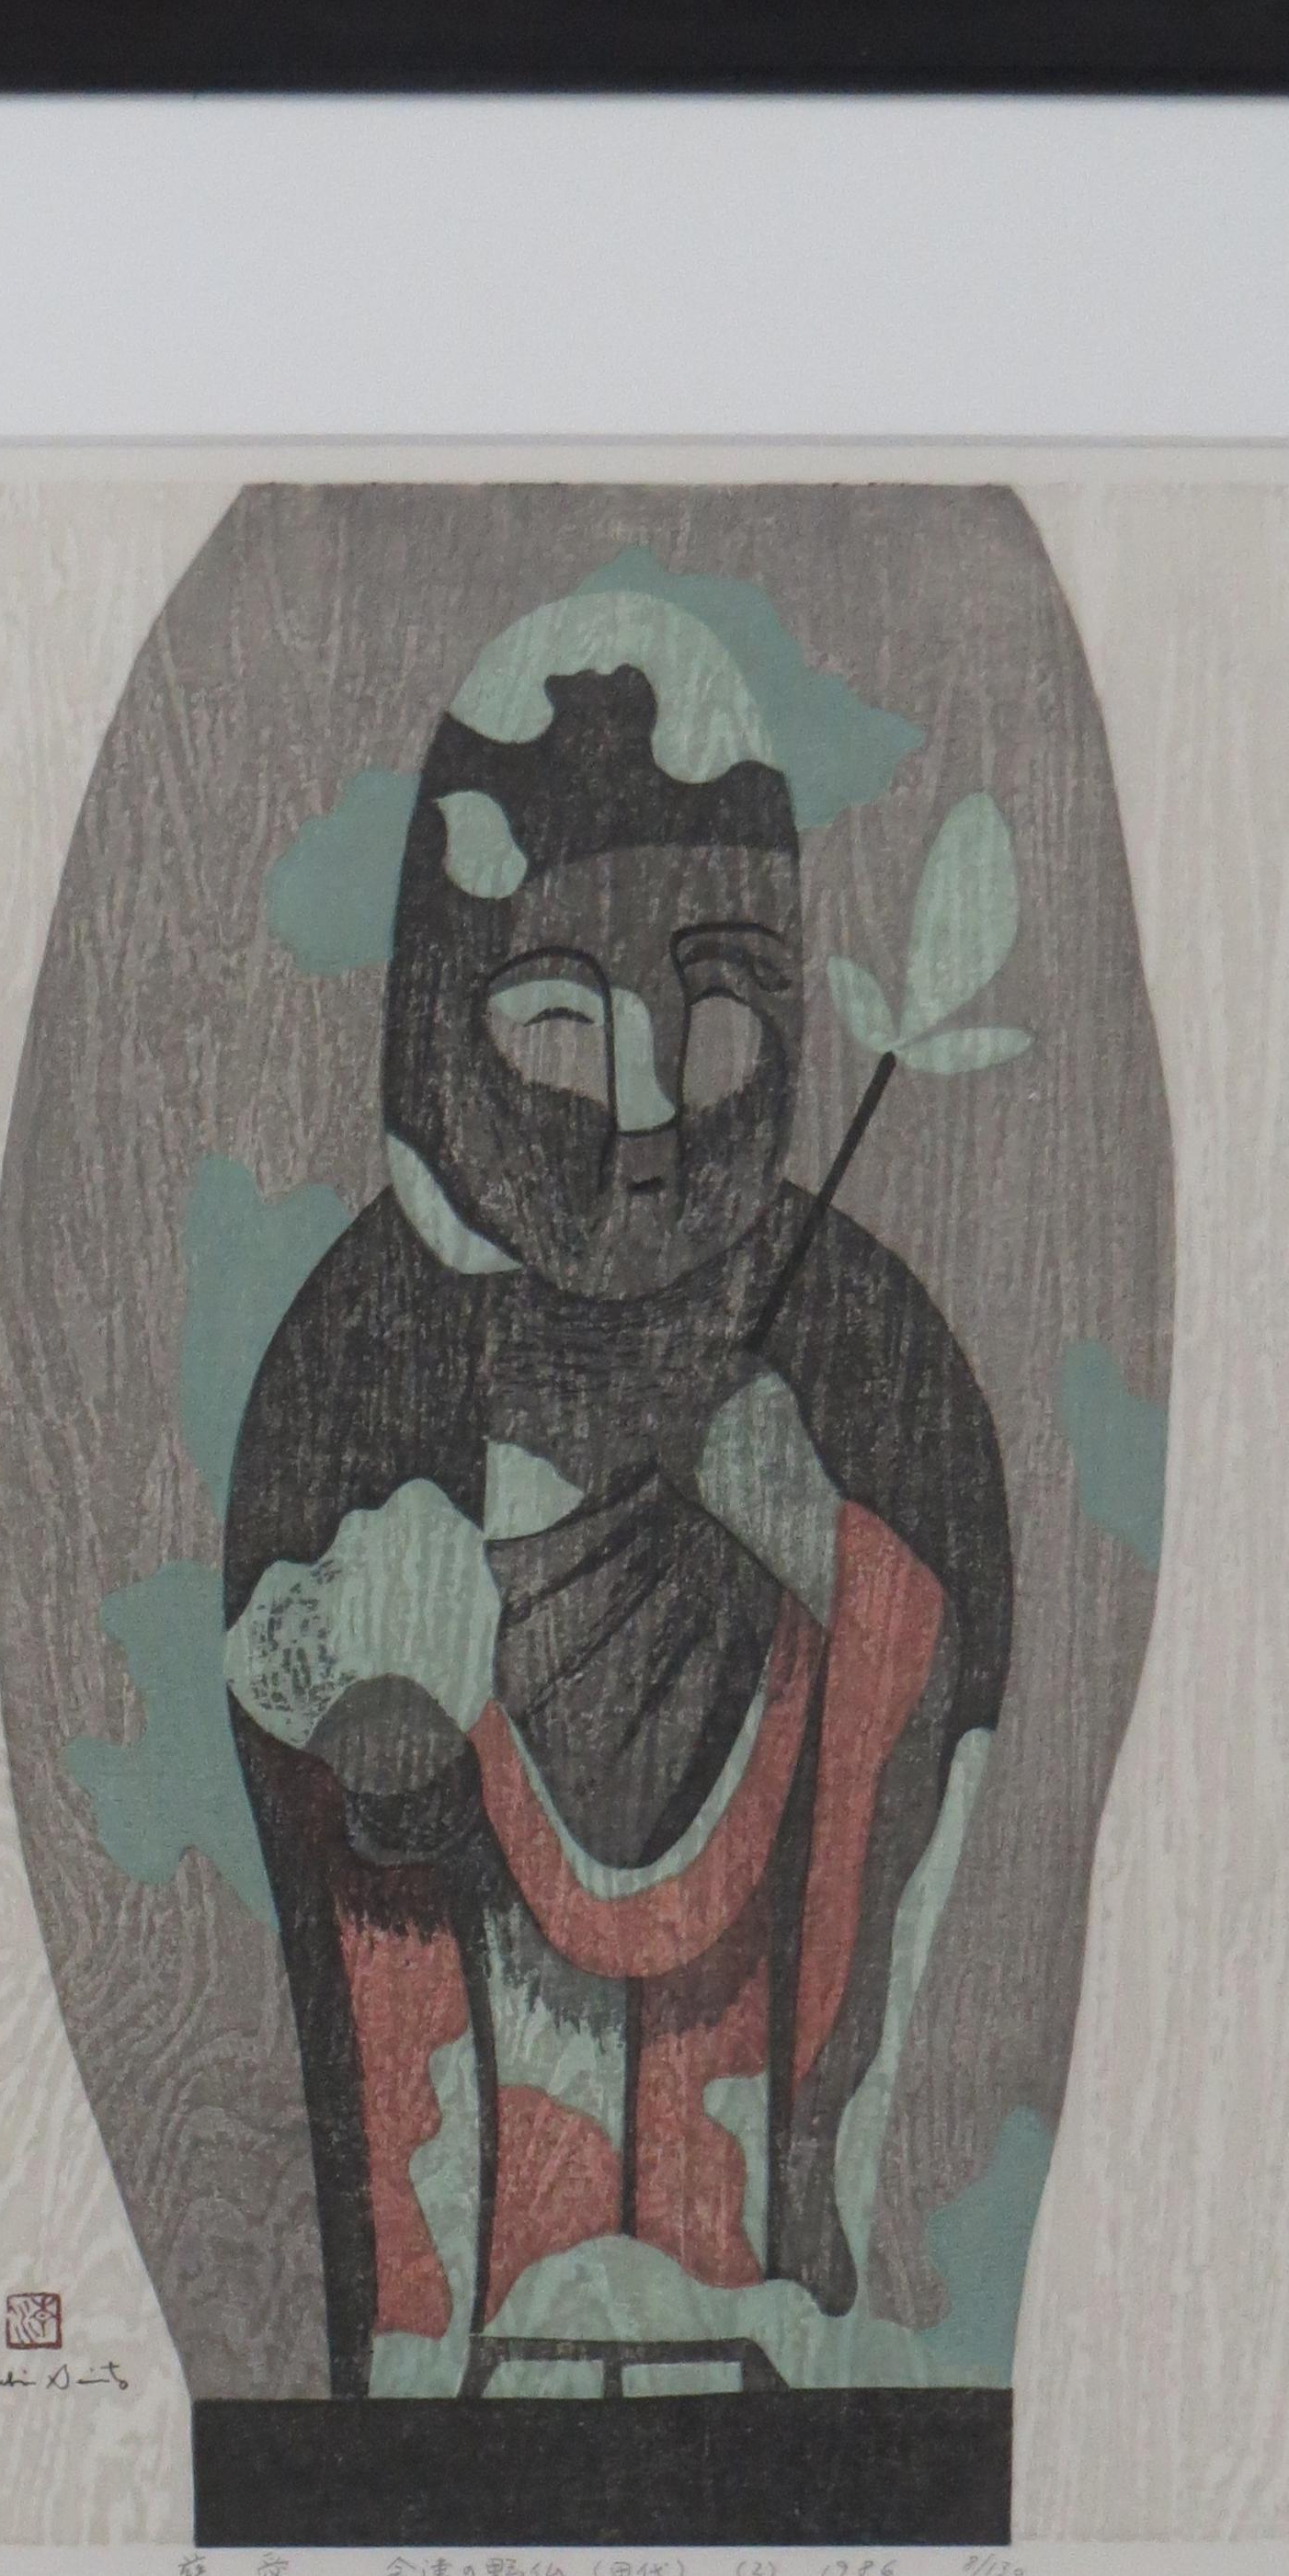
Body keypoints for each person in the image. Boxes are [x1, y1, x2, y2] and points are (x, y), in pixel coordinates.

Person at [223, 586, 1012, 2403]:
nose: (647, 1112)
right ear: (435, 1027)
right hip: (478, 2215)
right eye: (562, 1022)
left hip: (755, 2222)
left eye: (718, 1009)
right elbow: (314, 1787)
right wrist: (378, 1725)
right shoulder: (359, 1368)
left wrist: (814, 1544)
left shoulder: (858, 1353)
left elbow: (937, 1760)